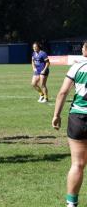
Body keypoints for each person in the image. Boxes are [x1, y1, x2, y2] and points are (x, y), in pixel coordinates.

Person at [52, 41, 87, 207]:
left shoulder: (77, 67)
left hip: (78, 118)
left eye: (83, 47)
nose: (81, 49)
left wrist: (56, 115)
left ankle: (71, 204)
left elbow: (63, 92)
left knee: (77, 164)